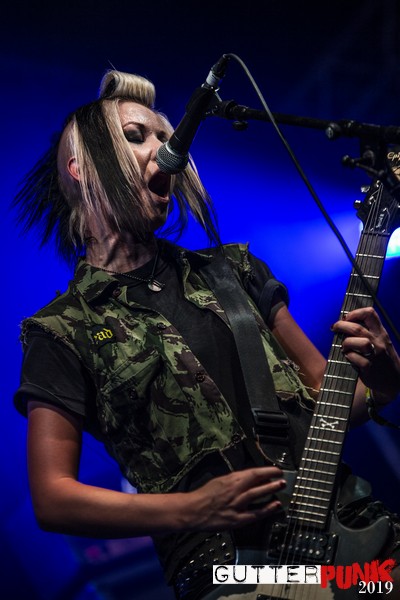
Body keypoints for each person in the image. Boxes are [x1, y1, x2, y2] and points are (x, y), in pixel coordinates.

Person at [13, 68, 400, 600]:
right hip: (228, 569)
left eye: (166, 137)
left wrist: (385, 379)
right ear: (81, 169)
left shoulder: (234, 271)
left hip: (350, 532)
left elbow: (332, 402)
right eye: (136, 136)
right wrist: (193, 508)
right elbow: (53, 498)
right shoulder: (63, 329)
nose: (163, 150)